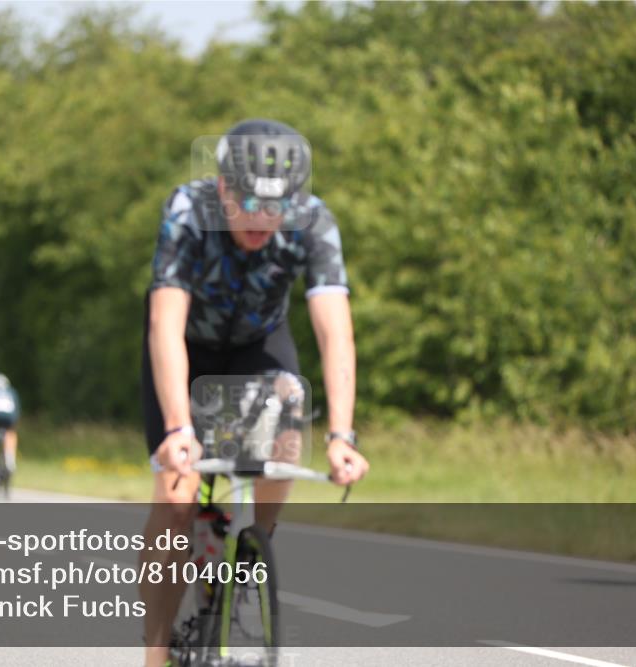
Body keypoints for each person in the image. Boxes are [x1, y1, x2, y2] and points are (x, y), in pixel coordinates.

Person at [139, 118, 369, 666]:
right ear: (223, 188)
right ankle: (155, 648)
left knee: (285, 434)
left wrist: (342, 434)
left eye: (279, 207)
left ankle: (251, 556)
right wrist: (177, 429)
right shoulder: (188, 211)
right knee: (178, 499)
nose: (266, 220)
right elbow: (165, 324)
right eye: (251, 204)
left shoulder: (313, 223)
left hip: (258, 344)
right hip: (188, 348)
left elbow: (335, 331)